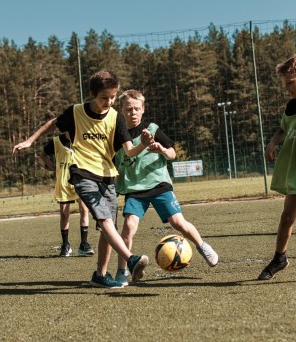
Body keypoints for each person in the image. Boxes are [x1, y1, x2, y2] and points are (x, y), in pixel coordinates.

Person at [13, 69, 153, 288]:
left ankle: (100, 275)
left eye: (113, 97)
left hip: (107, 175)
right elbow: (53, 123)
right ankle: (131, 258)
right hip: (82, 173)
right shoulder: (77, 112)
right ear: (92, 94)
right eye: (104, 97)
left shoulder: (116, 118)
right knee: (104, 220)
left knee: (109, 229)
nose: (109, 101)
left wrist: (142, 145)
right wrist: (30, 141)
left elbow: (129, 150)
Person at [114, 90, 218, 286]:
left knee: (178, 222)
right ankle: (122, 271)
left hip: (159, 184)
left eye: (137, 108)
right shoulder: (119, 134)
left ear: (143, 109)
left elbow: (172, 154)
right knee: (128, 227)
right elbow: (117, 158)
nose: (133, 113)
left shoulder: (153, 129)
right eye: (128, 109)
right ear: (121, 110)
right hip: (135, 190)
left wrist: (161, 149)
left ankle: (202, 246)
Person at [258, 55, 296, 280]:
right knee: (287, 216)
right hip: (294, 171)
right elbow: (283, 129)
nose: (287, 88)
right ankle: (280, 258)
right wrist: (272, 143)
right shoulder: (292, 105)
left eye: (290, 82)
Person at [40, 133, 94, 257]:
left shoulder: (82, 138)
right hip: (64, 183)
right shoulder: (56, 141)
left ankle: (84, 244)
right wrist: (53, 167)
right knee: (64, 214)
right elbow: (43, 155)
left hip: (80, 180)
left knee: (84, 210)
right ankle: (65, 245)